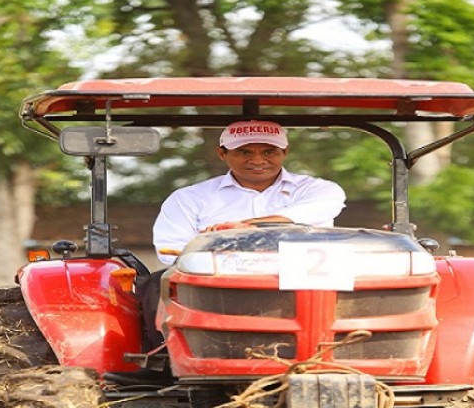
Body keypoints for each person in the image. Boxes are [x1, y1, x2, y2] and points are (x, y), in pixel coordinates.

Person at [139, 120, 346, 349]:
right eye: (244, 152)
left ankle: (343, 348)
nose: (257, 160)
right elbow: (171, 251)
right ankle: (162, 357)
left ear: (285, 152)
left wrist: (237, 229)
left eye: (269, 151)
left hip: (302, 275)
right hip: (218, 279)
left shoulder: (319, 190)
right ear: (222, 153)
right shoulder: (188, 198)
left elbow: (307, 213)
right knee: (158, 283)